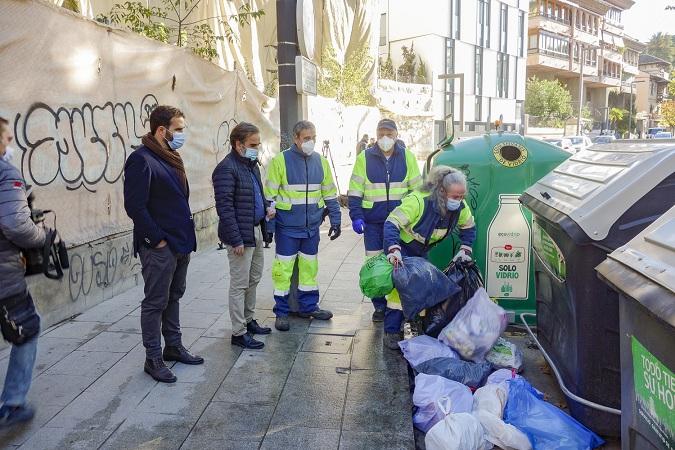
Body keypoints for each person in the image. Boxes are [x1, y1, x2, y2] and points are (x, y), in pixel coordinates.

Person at [123, 105, 203, 383]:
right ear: (161, 130)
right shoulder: (141, 160)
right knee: (155, 301)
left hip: (180, 241)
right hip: (160, 246)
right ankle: (153, 358)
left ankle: (173, 346)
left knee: (174, 295)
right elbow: (135, 206)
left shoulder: (171, 156)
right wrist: (156, 240)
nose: (182, 134)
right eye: (178, 129)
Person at [382, 166, 476, 349]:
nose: (459, 201)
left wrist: (465, 249)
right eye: (455, 196)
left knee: (421, 288)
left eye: (462, 196)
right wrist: (394, 249)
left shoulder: (459, 207)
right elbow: (391, 223)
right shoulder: (418, 201)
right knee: (398, 291)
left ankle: (413, 325)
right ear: (441, 190)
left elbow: (469, 226)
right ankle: (391, 331)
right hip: (402, 246)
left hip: (421, 249)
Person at [264, 120, 341, 332]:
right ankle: (281, 312)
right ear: (296, 139)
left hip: (311, 228)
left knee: (309, 270)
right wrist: (269, 230)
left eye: (313, 137)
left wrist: (336, 220)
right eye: (306, 138)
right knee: (282, 272)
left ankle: (309, 307)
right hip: (287, 228)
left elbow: (330, 194)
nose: (311, 142)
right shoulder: (280, 161)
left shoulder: (321, 162)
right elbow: (269, 199)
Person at [348, 118, 421, 322]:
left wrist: (415, 218)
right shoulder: (365, 157)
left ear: (396, 135)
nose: (385, 138)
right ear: (376, 134)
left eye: (389, 134)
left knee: (398, 263)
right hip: (373, 222)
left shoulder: (408, 158)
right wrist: (356, 216)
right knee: (374, 265)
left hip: (400, 223)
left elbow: (417, 191)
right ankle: (379, 306)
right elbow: (355, 190)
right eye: (381, 134)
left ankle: (396, 307)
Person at [212, 122, 275, 350]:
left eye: (258, 145)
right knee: (239, 285)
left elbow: (256, 194)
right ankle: (238, 332)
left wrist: (267, 206)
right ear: (238, 144)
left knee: (254, 278)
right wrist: (235, 239)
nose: (256, 149)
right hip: (240, 236)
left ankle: (249, 321)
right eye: (252, 145)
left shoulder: (251, 165)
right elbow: (225, 207)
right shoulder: (226, 169)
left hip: (256, 229)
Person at [0, 117, 45, 427]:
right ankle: (13, 403)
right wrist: (43, 236)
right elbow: (16, 224)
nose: (9, 144)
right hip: (4, 275)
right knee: (26, 329)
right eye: (6, 138)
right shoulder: (6, 173)